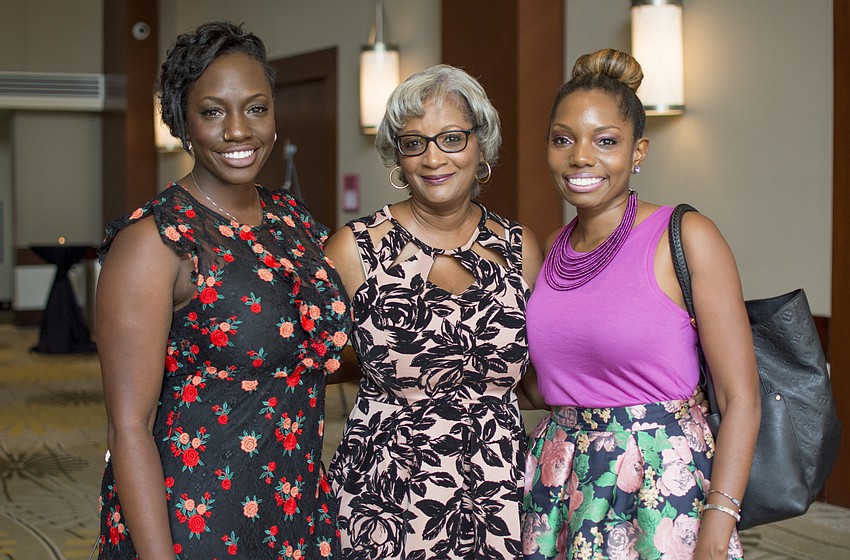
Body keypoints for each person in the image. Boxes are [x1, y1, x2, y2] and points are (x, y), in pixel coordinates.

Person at [95, 21, 351, 559]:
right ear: (182, 122)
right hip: (196, 520)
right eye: (213, 112)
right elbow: (129, 428)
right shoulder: (156, 241)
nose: (239, 130)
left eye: (256, 108)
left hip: (296, 507)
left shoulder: (294, 222)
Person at [520, 48, 760, 560]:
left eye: (606, 141)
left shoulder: (686, 235)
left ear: (639, 151)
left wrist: (719, 518)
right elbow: (543, 385)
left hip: (661, 485)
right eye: (563, 139)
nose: (581, 157)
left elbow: (742, 397)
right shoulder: (551, 250)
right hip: (560, 478)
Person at [325, 64, 545, 559]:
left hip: (499, 493)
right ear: (397, 158)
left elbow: (533, 378)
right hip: (382, 499)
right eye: (414, 143)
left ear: (480, 145)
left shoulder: (518, 248)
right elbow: (307, 364)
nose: (433, 158)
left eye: (451, 138)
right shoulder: (353, 250)